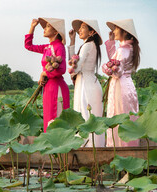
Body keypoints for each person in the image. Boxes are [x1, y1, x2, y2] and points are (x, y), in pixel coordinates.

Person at [24, 18, 70, 132]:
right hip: (48, 87)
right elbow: (28, 46)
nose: (44, 28)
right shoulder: (47, 47)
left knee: (55, 120)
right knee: (48, 119)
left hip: (56, 88)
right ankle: (50, 147)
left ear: (56, 32)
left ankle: (58, 148)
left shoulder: (59, 46)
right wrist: (32, 27)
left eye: (48, 26)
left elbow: (62, 69)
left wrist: (44, 73)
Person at [104, 19, 140, 147]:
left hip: (120, 86)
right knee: (127, 115)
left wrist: (106, 69)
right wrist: (112, 42)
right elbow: (115, 59)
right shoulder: (128, 48)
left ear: (124, 32)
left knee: (117, 114)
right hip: (127, 85)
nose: (113, 31)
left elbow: (116, 71)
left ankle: (119, 148)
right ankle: (130, 147)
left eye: (116, 29)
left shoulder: (123, 50)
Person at [68, 19, 104, 147]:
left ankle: (86, 148)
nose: (79, 30)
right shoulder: (91, 45)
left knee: (84, 116)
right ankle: (95, 148)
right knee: (92, 119)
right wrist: (72, 41)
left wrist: (71, 70)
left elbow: (75, 67)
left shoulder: (87, 45)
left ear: (92, 32)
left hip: (85, 85)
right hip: (90, 82)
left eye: (83, 27)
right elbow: (75, 63)